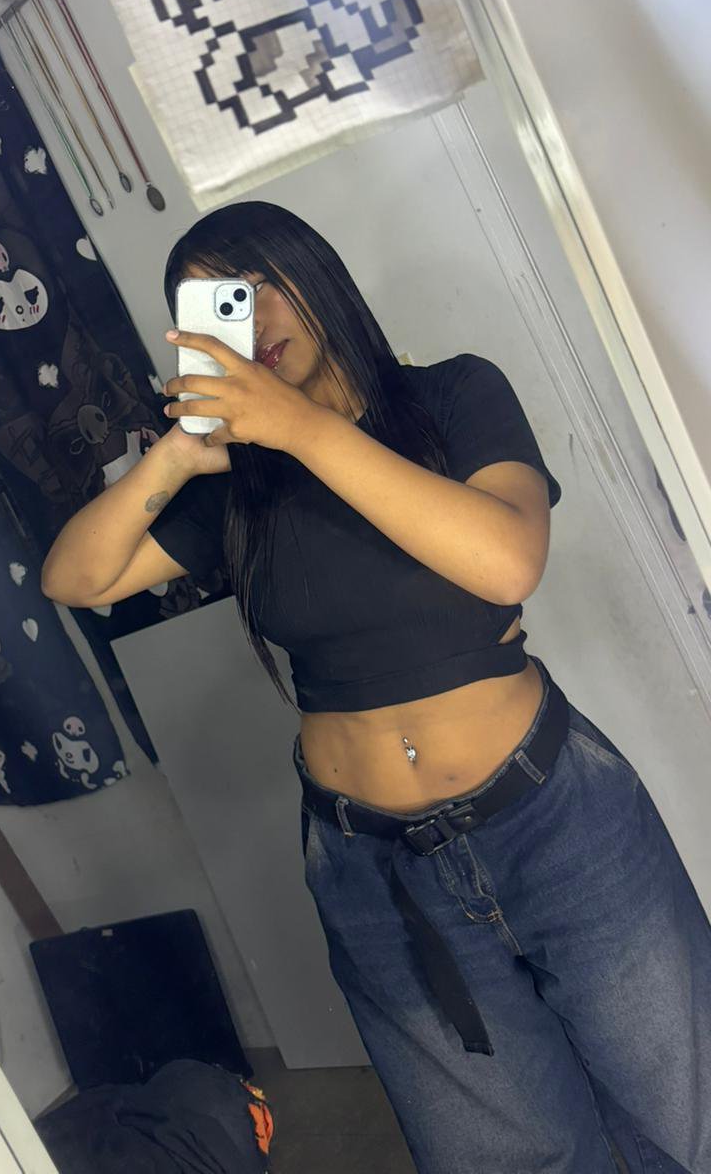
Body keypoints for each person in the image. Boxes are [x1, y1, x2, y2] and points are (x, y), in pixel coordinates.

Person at [42, 201, 711, 1173]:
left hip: (555, 820)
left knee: (684, 1114)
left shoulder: (451, 395)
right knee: (504, 1157)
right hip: (373, 872)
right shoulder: (240, 485)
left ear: (315, 271)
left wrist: (303, 428)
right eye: (221, 304)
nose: (255, 318)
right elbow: (77, 579)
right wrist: (182, 453)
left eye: (260, 281)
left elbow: (507, 558)